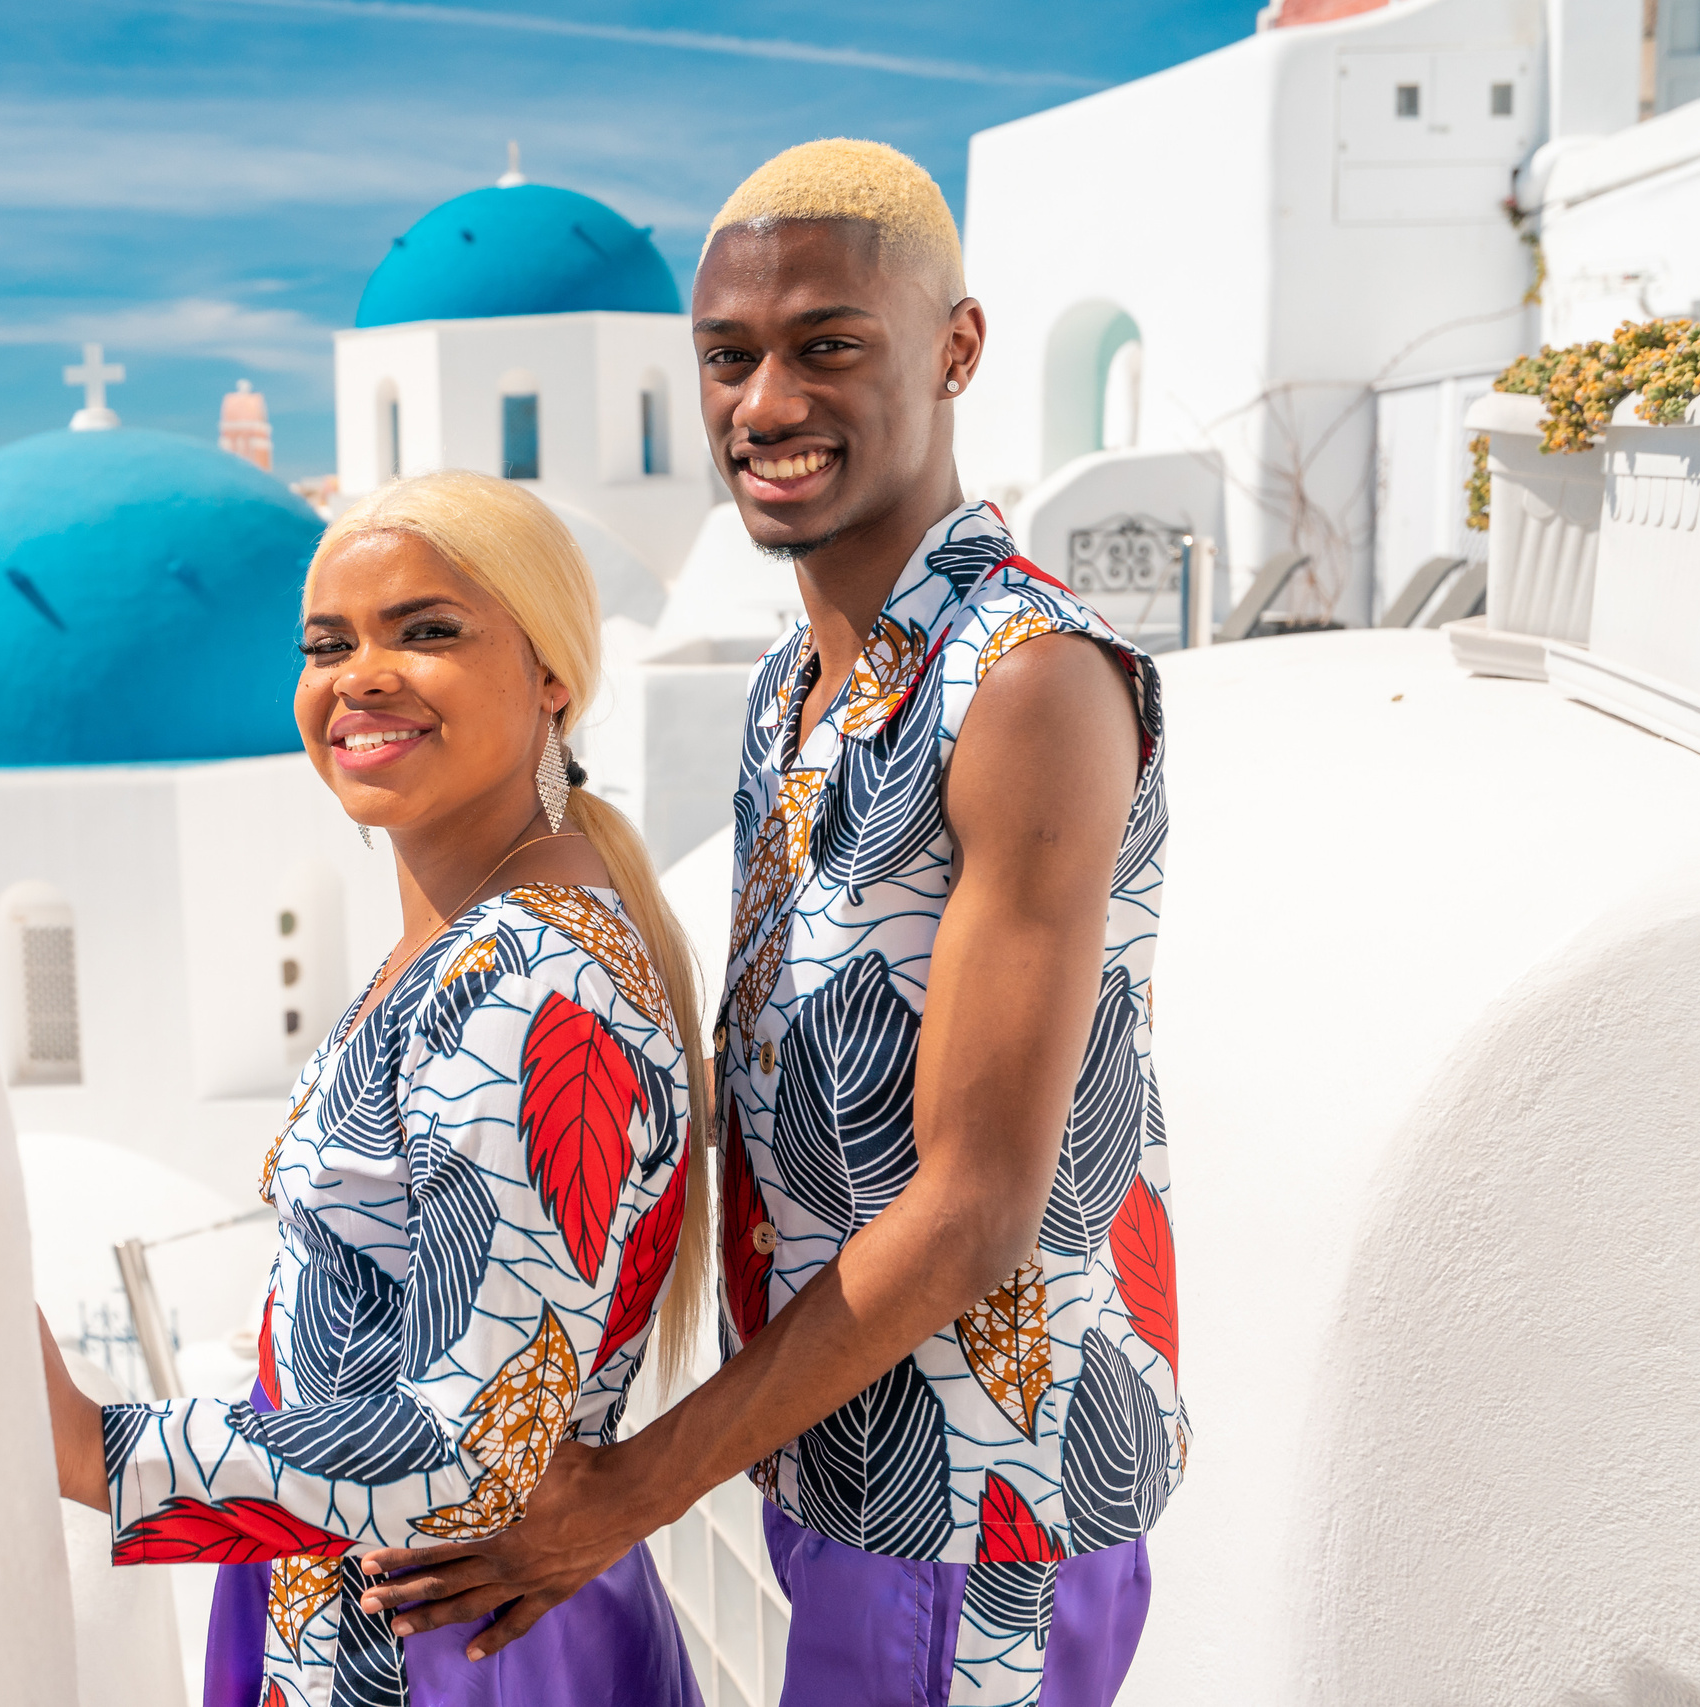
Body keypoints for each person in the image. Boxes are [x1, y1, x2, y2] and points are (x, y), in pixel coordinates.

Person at [357, 139, 1181, 1707]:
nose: (765, 404)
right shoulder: (796, 687)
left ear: (956, 348)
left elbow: (977, 1205)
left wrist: (629, 1489)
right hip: (844, 1475)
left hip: (975, 1499)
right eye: (728, 359)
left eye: (828, 346)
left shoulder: (1022, 682)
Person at [40, 468, 714, 1707]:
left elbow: (477, 1448)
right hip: (398, 1621)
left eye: (428, 631)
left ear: (551, 678)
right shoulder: (477, 935)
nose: (360, 676)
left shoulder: (524, 981)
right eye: (327, 643)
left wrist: (95, 1451)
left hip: (451, 1653)